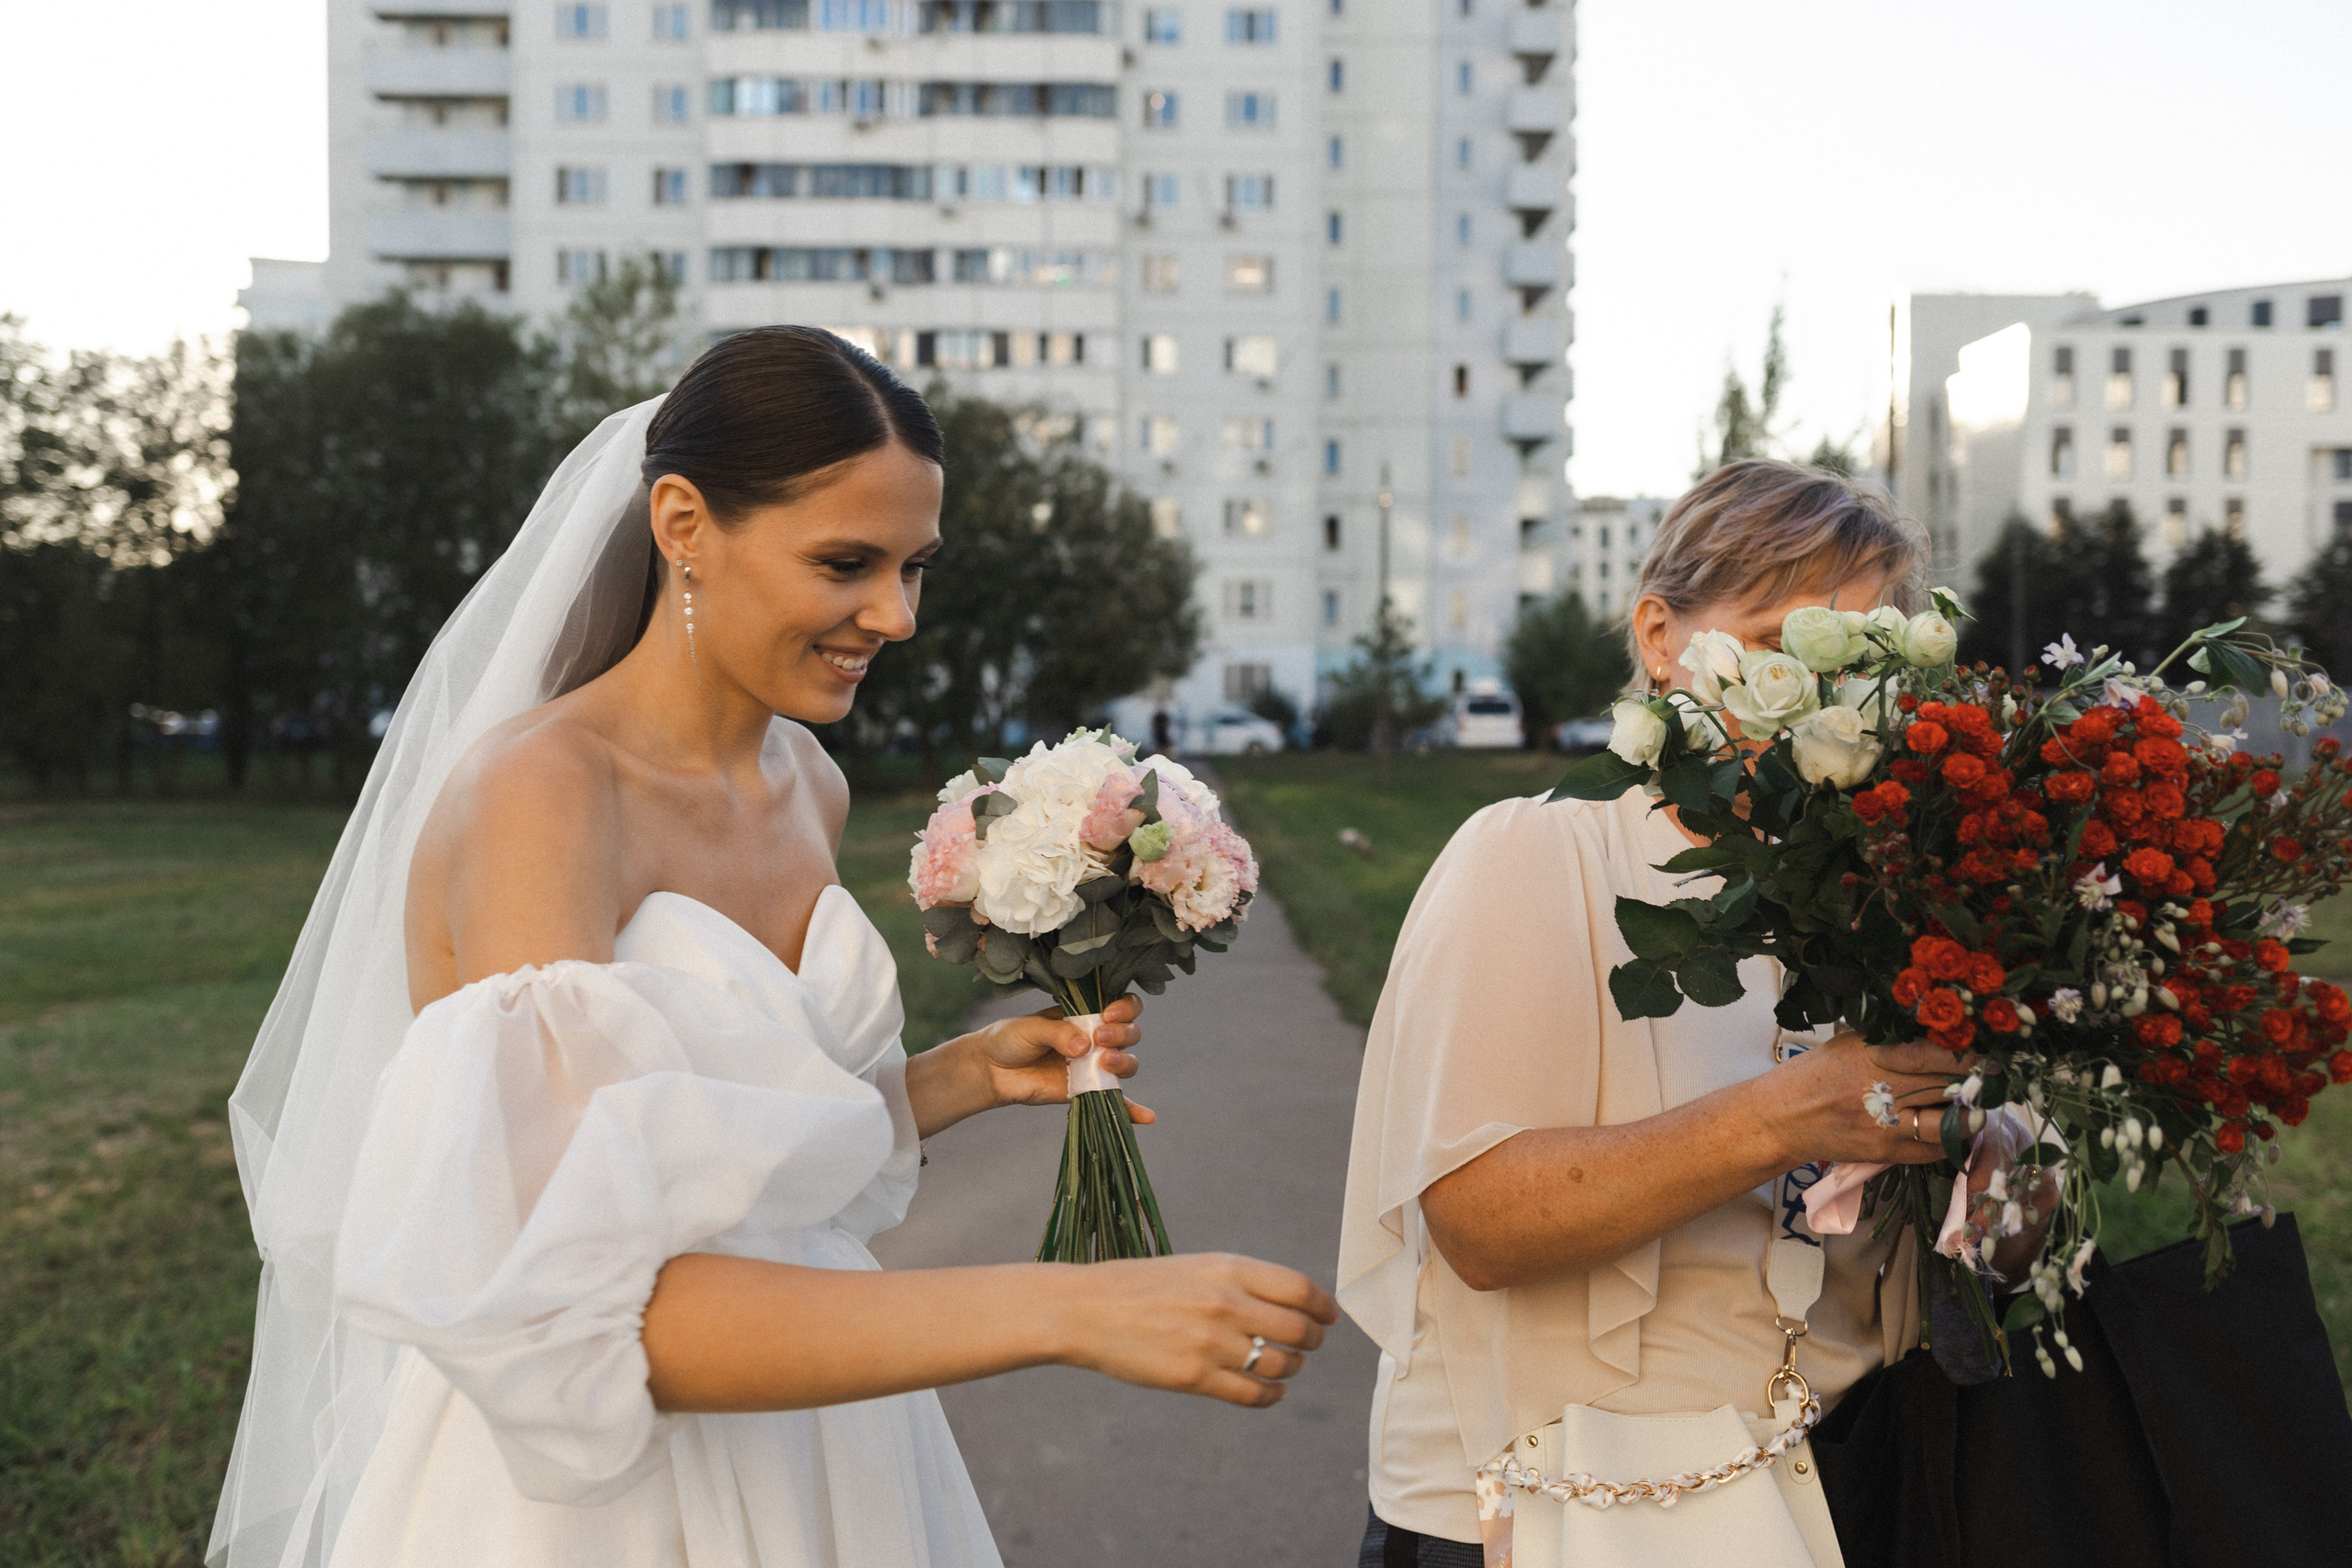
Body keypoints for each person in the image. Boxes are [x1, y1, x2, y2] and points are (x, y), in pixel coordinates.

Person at [210, 327, 1336, 1568]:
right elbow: (585, 1303)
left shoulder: (807, 779)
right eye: (846, 561)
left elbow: (737, 1157)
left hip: (826, 1428)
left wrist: (958, 1075)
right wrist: (1065, 1304)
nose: (896, 614)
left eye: (915, 566)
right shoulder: (546, 793)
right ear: (683, 522)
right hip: (603, 1485)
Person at [1337, 461, 2020, 1566]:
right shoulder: (1542, 852)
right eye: (1774, 642)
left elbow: (1971, 1261)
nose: (1826, 697)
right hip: (1556, 1513)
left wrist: (2008, 1157)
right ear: (1660, 636)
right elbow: (1477, 1220)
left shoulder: (1899, 891)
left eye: (1867, 661)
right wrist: (1790, 1116)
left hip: (1835, 1491)